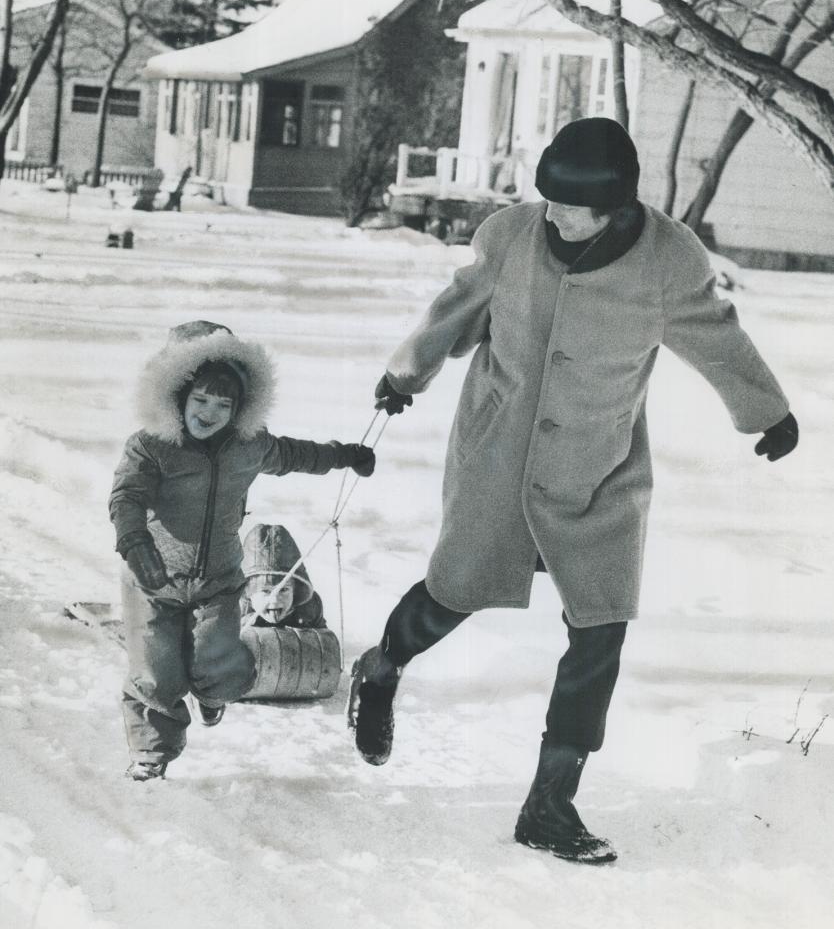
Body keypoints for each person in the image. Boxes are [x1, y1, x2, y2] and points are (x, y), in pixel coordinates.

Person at [347, 117, 797, 864]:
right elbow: (455, 308)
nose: (551, 212)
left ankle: (549, 807)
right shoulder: (511, 235)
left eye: (569, 206)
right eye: (548, 198)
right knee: (456, 588)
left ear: (615, 208)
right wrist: (404, 376)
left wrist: (767, 409)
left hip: (601, 462)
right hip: (499, 446)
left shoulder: (667, 260)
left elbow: (715, 333)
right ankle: (383, 667)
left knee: (601, 629)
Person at [109, 320, 375, 781]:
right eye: (201, 400)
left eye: (223, 404)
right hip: (153, 581)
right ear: (177, 396)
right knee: (155, 673)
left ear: (239, 409)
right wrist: (134, 540)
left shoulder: (248, 447)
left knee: (218, 665)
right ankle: (152, 754)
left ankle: (212, 698)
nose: (209, 413)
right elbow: (126, 497)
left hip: (218, 582)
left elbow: (295, 455)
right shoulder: (152, 447)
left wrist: (344, 454)